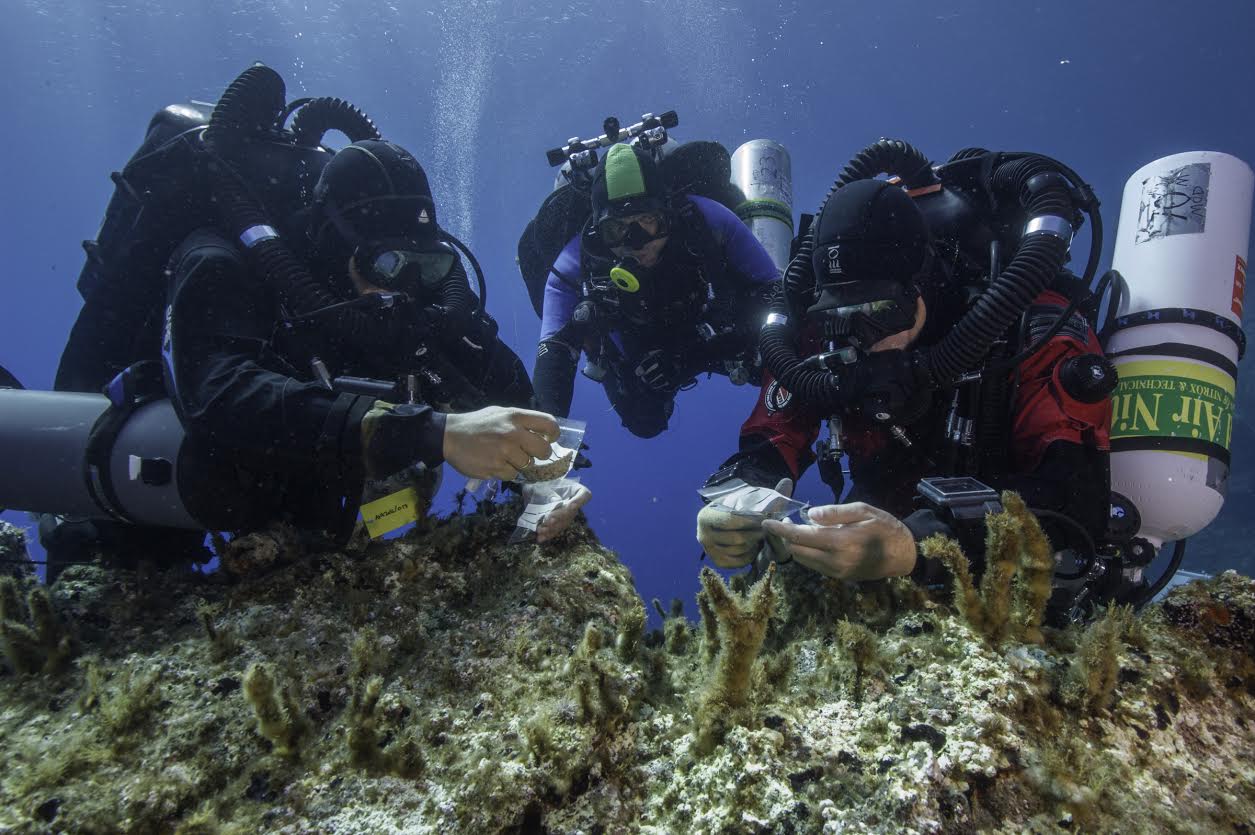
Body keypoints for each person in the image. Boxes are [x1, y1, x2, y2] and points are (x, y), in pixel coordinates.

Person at [35, 66, 588, 576]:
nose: (403, 289)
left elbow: (500, 384)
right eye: (385, 264)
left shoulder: (405, 290)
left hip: (322, 510)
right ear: (331, 243)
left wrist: (550, 483)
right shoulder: (222, 262)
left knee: (389, 482)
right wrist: (433, 432)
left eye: (425, 265)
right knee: (136, 557)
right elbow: (220, 394)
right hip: (173, 472)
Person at [697, 143, 1117, 614]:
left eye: (881, 313)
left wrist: (920, 542)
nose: (861, 339)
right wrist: (734, 497)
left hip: (1021, 576)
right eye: (841, 317)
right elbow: (775, 434)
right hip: (881, 525)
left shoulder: (1025, 326)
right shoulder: (820, 334)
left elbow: (1075, 501)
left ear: (925, 287)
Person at [532, 143, 779, 438]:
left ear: (668, 215)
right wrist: (542, 436)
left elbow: (772, 292)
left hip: (712, 333)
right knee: (644, 421)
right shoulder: (576, 261)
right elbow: (554, 350)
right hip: (637, 352)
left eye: (647, 222)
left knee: (773, 358)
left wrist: (693, 357)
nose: (636, 242)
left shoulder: (705, 220)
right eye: (617, 230)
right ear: (599, 231)